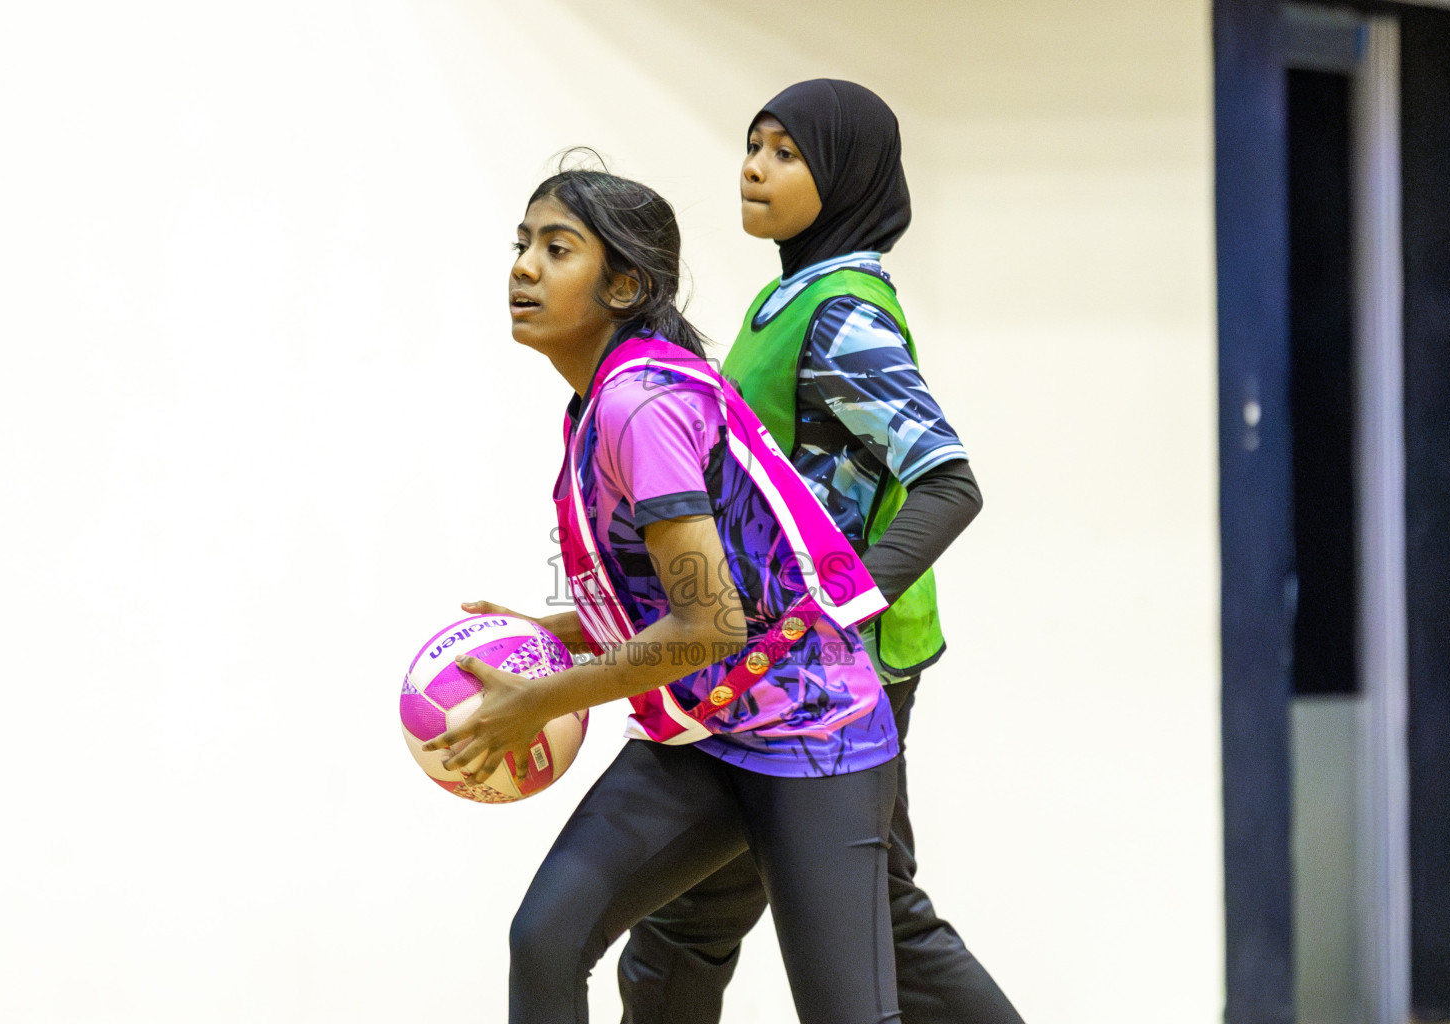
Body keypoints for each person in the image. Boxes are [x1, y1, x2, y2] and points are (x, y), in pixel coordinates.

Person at [428, 166, 906, 1024]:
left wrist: (537, 701)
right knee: (547, 939)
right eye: (522, 246)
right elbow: (684, 597)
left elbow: (710, 623)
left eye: (556, 248)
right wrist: (553, 632)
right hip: (709, 730)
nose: (523, 268)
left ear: (625, 285)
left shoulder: (639, 403)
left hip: (811, 729)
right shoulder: (600, 401)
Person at [616, 80, 1027, 1024]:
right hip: (778, 668)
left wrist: (838, 604)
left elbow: (948, 483)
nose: (755, 167)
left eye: (786, 153)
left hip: (838, 674)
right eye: (752, 145)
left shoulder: (844, 315)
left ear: (843, 178)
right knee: (695, 930)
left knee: (844, 921)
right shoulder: (789, 297)